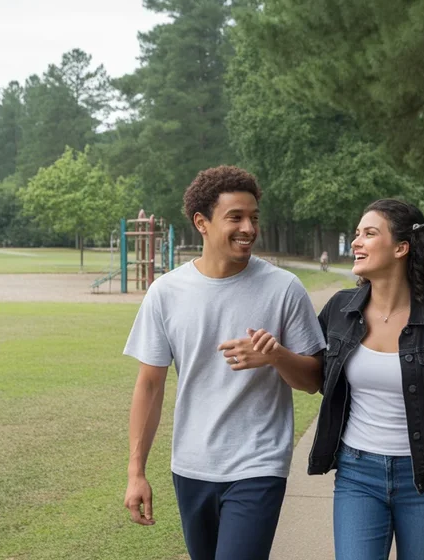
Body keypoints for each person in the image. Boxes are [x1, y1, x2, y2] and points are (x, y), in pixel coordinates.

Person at [122, 166, 326, 560]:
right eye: (235, 217)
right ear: (202, 222)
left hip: (259, 463)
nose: (248, 228)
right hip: (192, 465)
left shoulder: (284, 288)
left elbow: (314, 379)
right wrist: (136, 471)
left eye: (254, 218)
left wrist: (276, 355)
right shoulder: (166, 292)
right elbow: (149, 386)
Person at [308, 200, 424, 560]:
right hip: (357, 474)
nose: (356, 242)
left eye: (369, 234)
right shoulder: (340, 310)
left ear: (401, 248)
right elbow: (315, 376)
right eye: (357, 234)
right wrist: (274, 354)